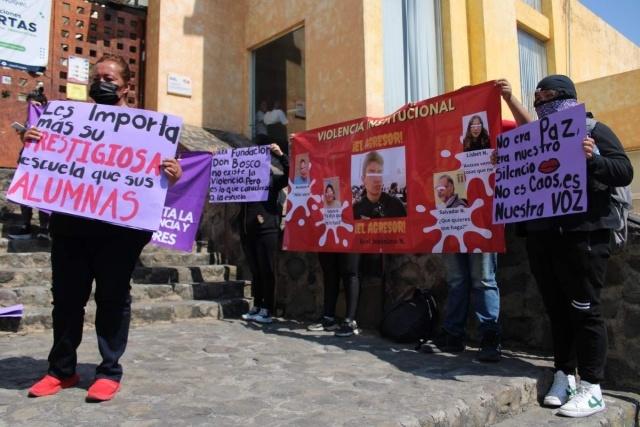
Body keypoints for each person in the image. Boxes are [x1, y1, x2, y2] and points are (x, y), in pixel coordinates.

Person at [26, 54, 183, 402]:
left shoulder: (149, 129)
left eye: (110, 78)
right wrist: (37, 143)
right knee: (66, 301)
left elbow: (154, 182)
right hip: (71, 226)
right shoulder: (68, 121)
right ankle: (60, 371)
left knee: (112, 300)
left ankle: (109, 371)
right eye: (97, 77)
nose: (102, 83)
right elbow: (47, 165)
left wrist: (173, 173)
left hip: (119, 232)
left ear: (127, 86)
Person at [498, 76, 633, 417]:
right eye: (537, 96)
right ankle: (564, 375)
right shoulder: (536, 136)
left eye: (547, 95)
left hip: (584, 235)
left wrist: (593, 160)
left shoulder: (594, 129)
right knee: (557, 310)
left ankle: (592, 385)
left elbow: (624, 170)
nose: (540, 101)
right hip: (545, 237)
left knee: (585, 309)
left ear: (566, 97)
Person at [240, 143, 289, 324]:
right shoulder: (244, 182)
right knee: (256, 271)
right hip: (248, 231)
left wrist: (280, 154)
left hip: (267, 230)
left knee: (267, 270)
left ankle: (267, 308)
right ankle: (257, 305)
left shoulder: (272, 181)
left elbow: (291, 174)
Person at [9, 87, 50, 240]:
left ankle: (44, 229)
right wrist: (23, 134)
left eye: (34, 104)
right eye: (29, 104)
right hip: (27, 160)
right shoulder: (29, 118)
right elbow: (27, 142)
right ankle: (26, 225)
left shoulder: (51, 117)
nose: (31, 107)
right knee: (24, 192)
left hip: (44, 163)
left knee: (42, 194)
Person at [307, 252, 361, 337]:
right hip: (328, 239)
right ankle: (328, 319)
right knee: (329, 271)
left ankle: (350, 321)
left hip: (351, 240)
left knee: (350, 272)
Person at [352, 151, 407, 219]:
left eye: (380, 173)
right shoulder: (356, 209)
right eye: (371, 173)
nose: (377, 179)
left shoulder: (396, 205)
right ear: (363, 179)